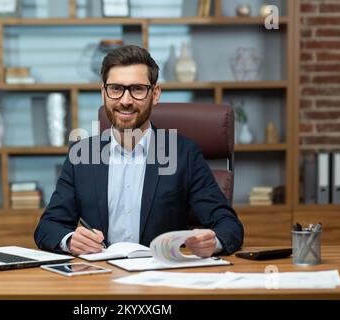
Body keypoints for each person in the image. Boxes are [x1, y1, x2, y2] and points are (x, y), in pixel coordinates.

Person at [34, 45, 244, 257]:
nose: (125, 101)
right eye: (116, 88)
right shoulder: (81, 155)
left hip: (161, 278)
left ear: (155, 94)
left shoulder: (184, 154)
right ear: (103, 92)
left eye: (137, 89)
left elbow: (229, 226)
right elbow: (48, 227)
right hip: (100, 276)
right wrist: (70, 241)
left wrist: (212, 242)